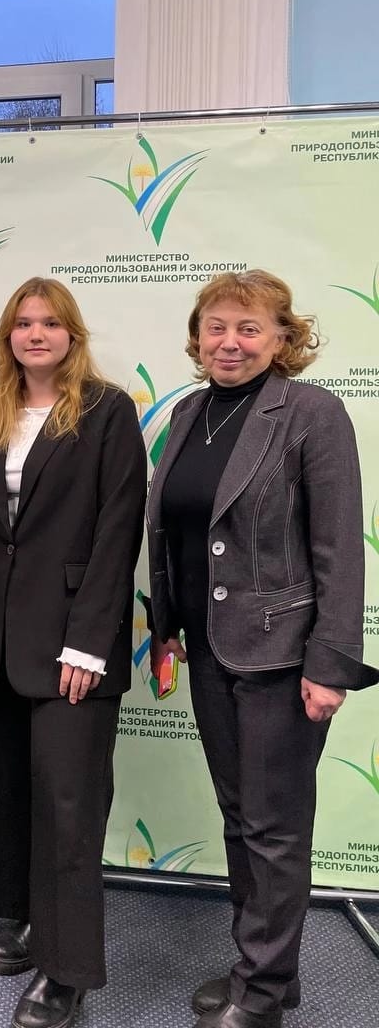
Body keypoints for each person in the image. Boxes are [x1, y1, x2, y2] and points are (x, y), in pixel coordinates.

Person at [146, 270, 378, 1028]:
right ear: (197, 337)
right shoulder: (188, 413)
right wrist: (166, 625)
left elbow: (338, 547)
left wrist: (329, 664)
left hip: (284, 656)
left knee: (275, 827)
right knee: (241, 814)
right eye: (216, 327)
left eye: (249, 328)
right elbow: (176, 531)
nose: (230, 342)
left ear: (283, 338)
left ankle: (263, 994)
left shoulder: (311, 412)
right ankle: (265, 969)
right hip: (208, 647)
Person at [0, 277, 147, 1028]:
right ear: (8, 336)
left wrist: (90, 644)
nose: (35, 334)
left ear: (73, 333)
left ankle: (65, 972)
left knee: (69, 806)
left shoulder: (108, 411)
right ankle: (21, 914)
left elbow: (118, 530)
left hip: (74, 640)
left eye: (49, 322)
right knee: (3, 789)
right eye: (22, 323)